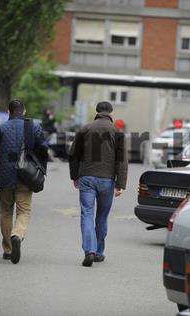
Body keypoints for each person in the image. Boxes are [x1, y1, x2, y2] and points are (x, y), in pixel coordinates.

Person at [0, 100, 47, 264]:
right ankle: (17, 234)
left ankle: (9, 249)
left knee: (5, 212)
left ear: (8, 112)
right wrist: (41, 171)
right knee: (23, 211)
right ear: (24, 111)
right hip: (26, 176)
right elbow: (43, 150)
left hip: (4, 176)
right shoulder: (34, 127)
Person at [69, 101, 128, 267]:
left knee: (87, 213)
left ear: (97, 111)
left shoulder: (85, 129)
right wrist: (120, 183)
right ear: (111, 112)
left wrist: (75, 176)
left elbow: (73, 154)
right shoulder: (117, 132)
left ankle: (89, 250)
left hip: (87, 178)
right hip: (107, 180)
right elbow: (122, 160)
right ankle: (99, 252)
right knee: (101, 216)